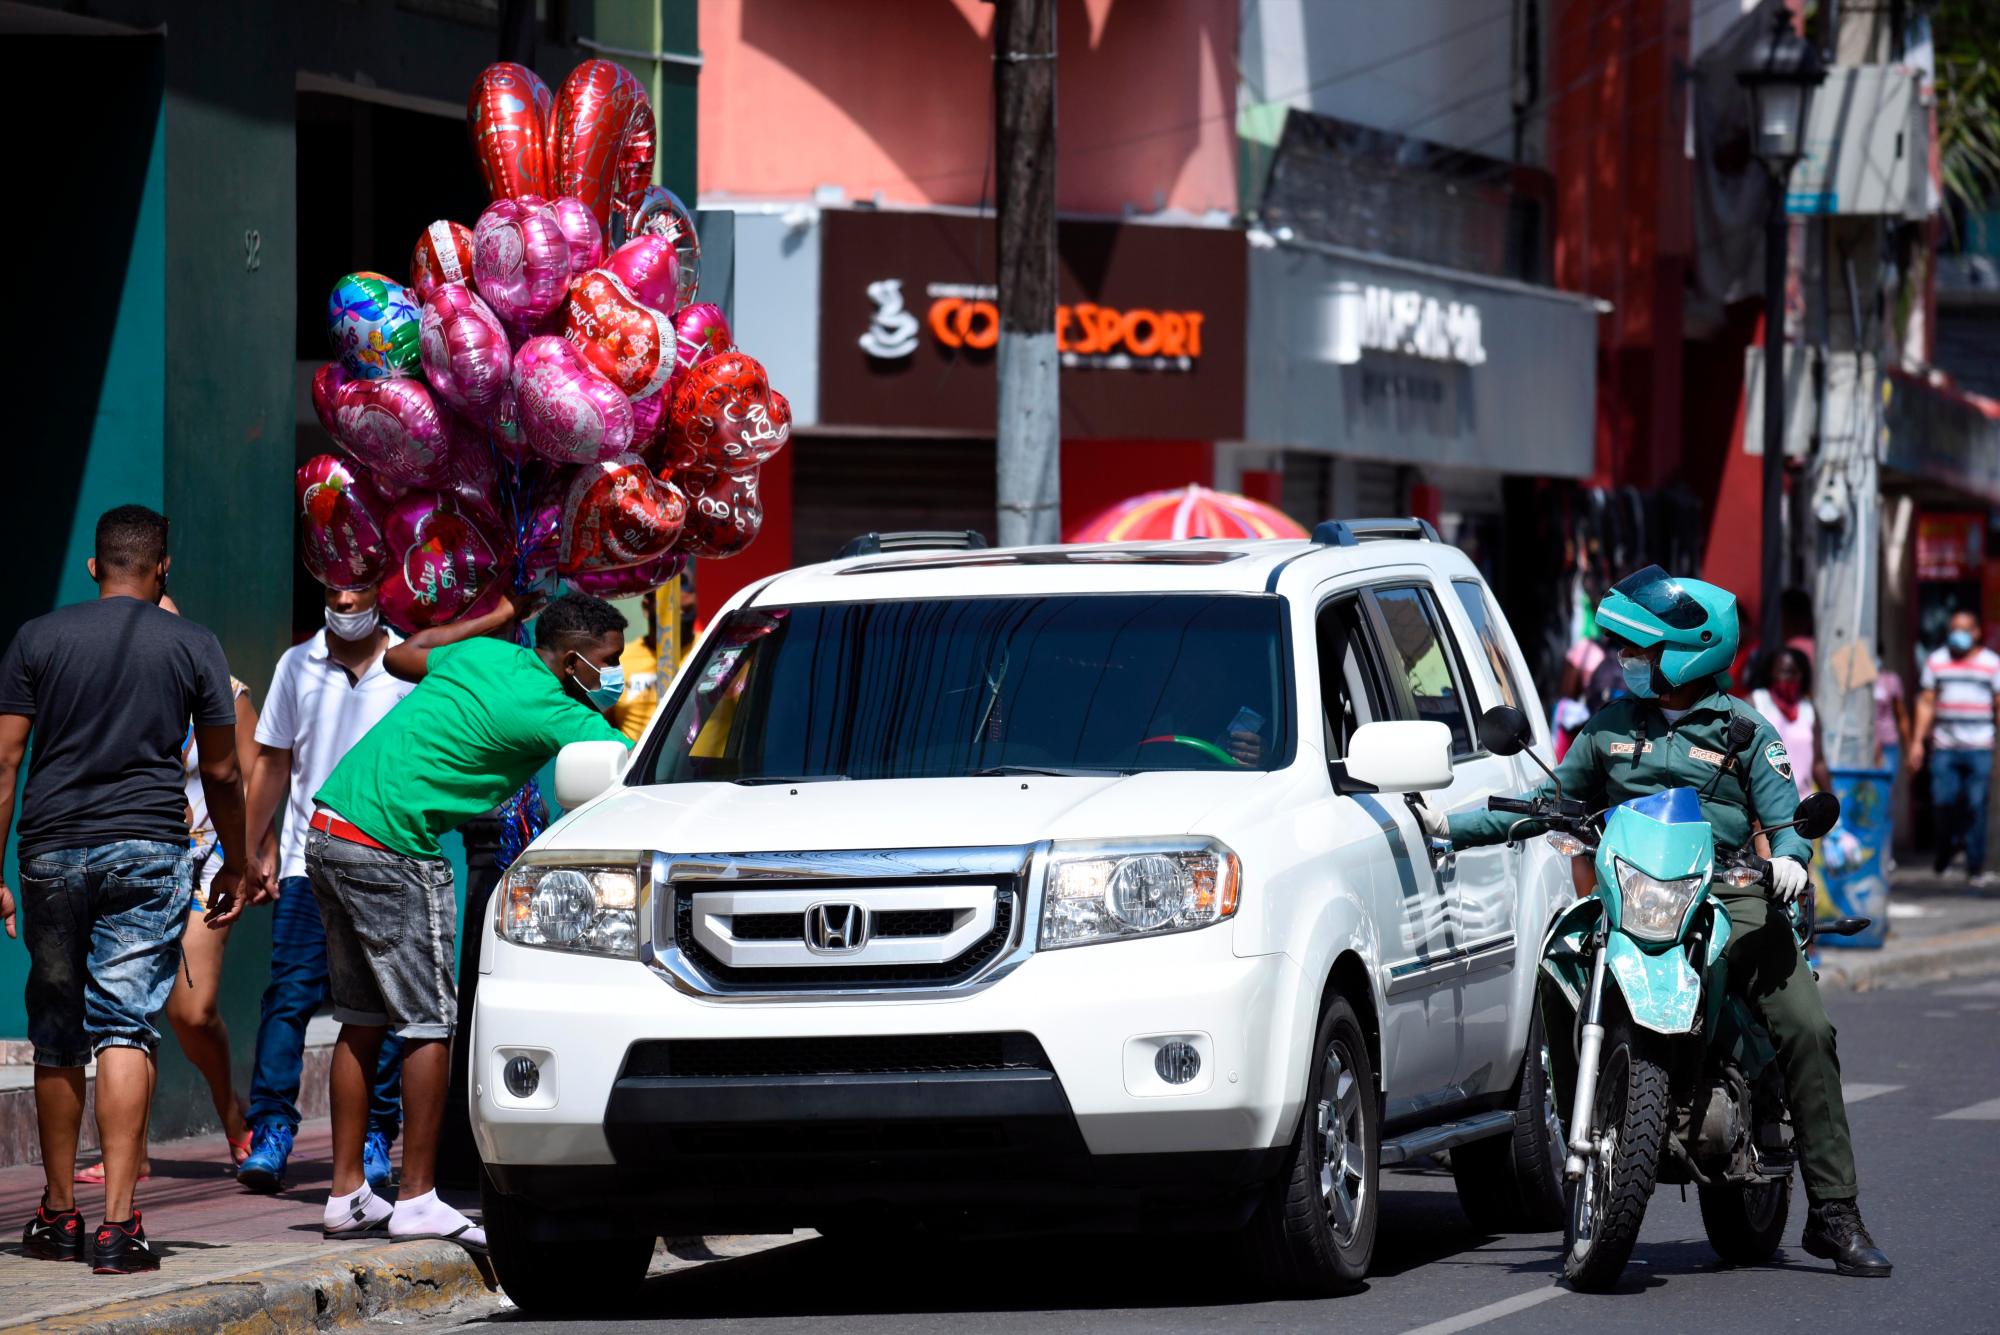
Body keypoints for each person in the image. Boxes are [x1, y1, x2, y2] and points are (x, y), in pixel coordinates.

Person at [1418, 565, 1892, 1278]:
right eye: (1623, 650)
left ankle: (1835, 1212)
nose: (1625, 660)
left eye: (1639, 650)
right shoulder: (1607, 727)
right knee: (1559, 959)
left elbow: (1785, 818)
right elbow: (1547, 798)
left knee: (1807, 1026)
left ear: (1686, 653)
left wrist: (1790, 858)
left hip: (1731, 891)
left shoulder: (1745, 731)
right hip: (1630, 892)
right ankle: (1589, 1098)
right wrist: (1446, 825)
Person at [306, 591, 630, 1248]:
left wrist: (494, 615)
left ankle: (346, 1194)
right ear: (572, 660)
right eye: (609, 660)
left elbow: (402, 654)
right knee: (430, 1023)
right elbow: (638, 772)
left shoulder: (484, 653)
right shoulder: (555, 709)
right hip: (392, 846)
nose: (616, 673)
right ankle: (418, 1197)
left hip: (330, 827)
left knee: (362, 1018)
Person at [0, 505, 252, 1275]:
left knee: (56, 1030)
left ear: (93, 567)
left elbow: (5, 764)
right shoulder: (193, 644)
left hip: (48, 850)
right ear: (163, 566)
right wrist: (235, 863)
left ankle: (56, 1212)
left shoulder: (36, 638)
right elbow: (221, 770)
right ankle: (117, 1226)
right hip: (147, 849)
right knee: (123, 1027)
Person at [73, 597, 261, 1186]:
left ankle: (233, 1115)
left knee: (192, 1011)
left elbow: (247, 779)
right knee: (131, 1001)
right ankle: (132, 1152)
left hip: (208, 858)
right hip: (136, 857)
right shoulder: (112, 688)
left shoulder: (225, 690)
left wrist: (251, 856)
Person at [237, 584, 414, 1193]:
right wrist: (250, 849)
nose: (345, 600)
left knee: (386, 1008)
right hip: (303, 863)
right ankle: (271, 1131)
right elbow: (272, 762)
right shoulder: (297, 664)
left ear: (380, 588)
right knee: (288, 997)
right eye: (333, 590)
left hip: (389, 862)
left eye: (357, 588)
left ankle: (372, 1135)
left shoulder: (410, 667)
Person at [1911, 610, 2000, 886]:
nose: (1958, 634)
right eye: (1954, 629)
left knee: (1975, 805)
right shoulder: (1937, 661)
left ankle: (1974, 866)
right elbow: (1926, 702)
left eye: (1964, 629)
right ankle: (1945, 852)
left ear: (1976, 632)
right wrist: (1917, 742)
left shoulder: (1991, 663)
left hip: (1980, 747)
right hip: (1945, 746)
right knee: (1943, 802)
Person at [1751, 646, 1832, 798]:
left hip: (1802, 804)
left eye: (1794, 673)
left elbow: (1818, 763)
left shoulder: (1809, 709)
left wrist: (1831, 800)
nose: (1788, 678)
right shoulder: (1756, 703)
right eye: (1783, 671)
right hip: (1764, 803)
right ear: (1771, 673)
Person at [1873, 661, 1910, 775]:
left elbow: (1901, 714)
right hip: (1866, 744)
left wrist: (1908, 750)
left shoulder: (1890, 680)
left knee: (1885, 785)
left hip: (1888, 743)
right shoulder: (1860, 680)